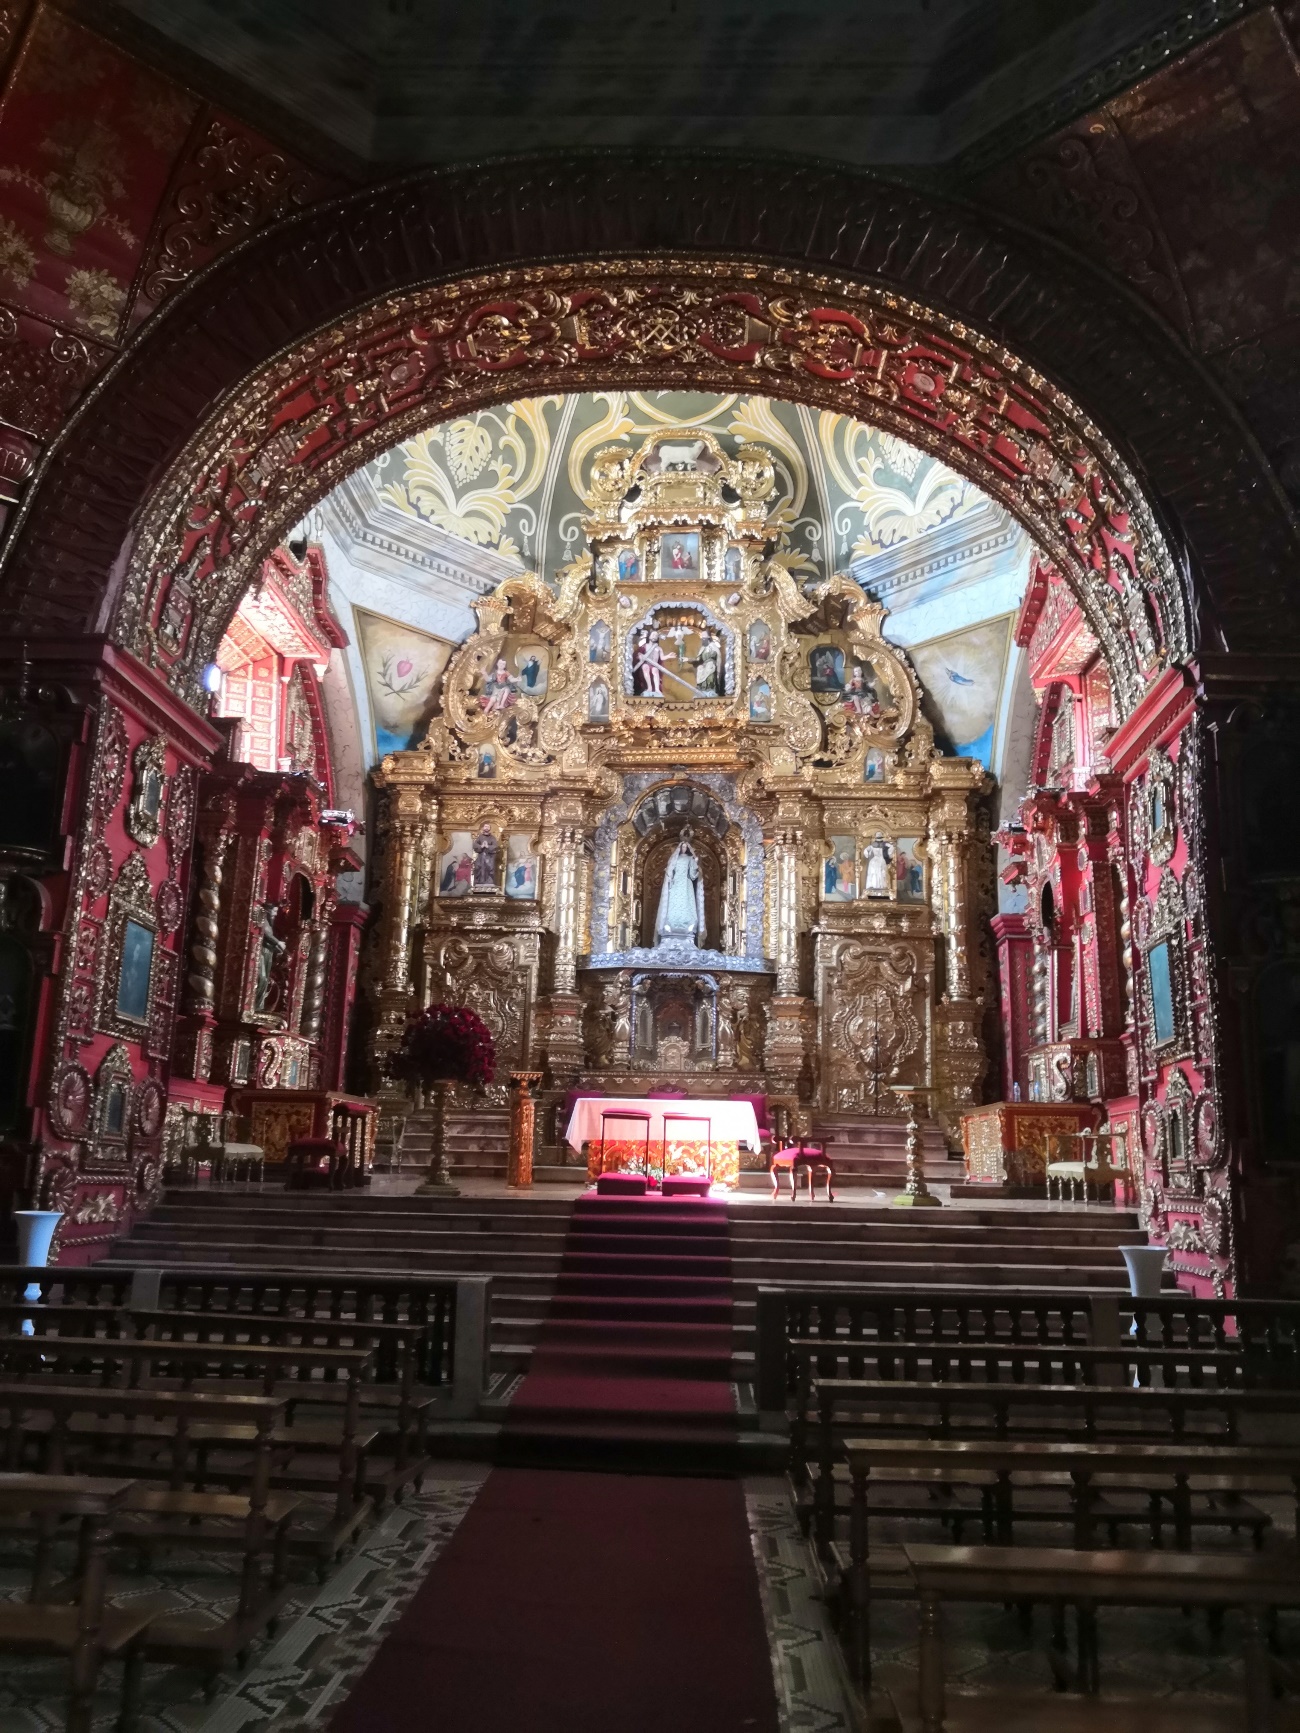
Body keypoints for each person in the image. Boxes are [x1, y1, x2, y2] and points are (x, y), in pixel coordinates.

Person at [654, 827, 706, 945]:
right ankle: (671, 924)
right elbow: (670, 871)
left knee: (686, 903)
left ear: (688, 849)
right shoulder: (674, 859)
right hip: (676, 883)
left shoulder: (689, 858)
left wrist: (696, 864)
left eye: (685, 847)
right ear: (679, 848)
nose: (683, 849)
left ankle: (687, 924)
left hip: (686, 884)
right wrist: (669, 877)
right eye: (682, 847)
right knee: (674, 904)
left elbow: (693, 875)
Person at [864, 832, 893, 898]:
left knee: (878, 873)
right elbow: (891, 847)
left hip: (875, 860)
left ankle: (878, 886)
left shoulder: (872, 845)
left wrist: (867, 855)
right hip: (880, 860)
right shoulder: (885, 844)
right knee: (879, 873)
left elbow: (866, 851)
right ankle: (879, 886)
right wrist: (889, 854)